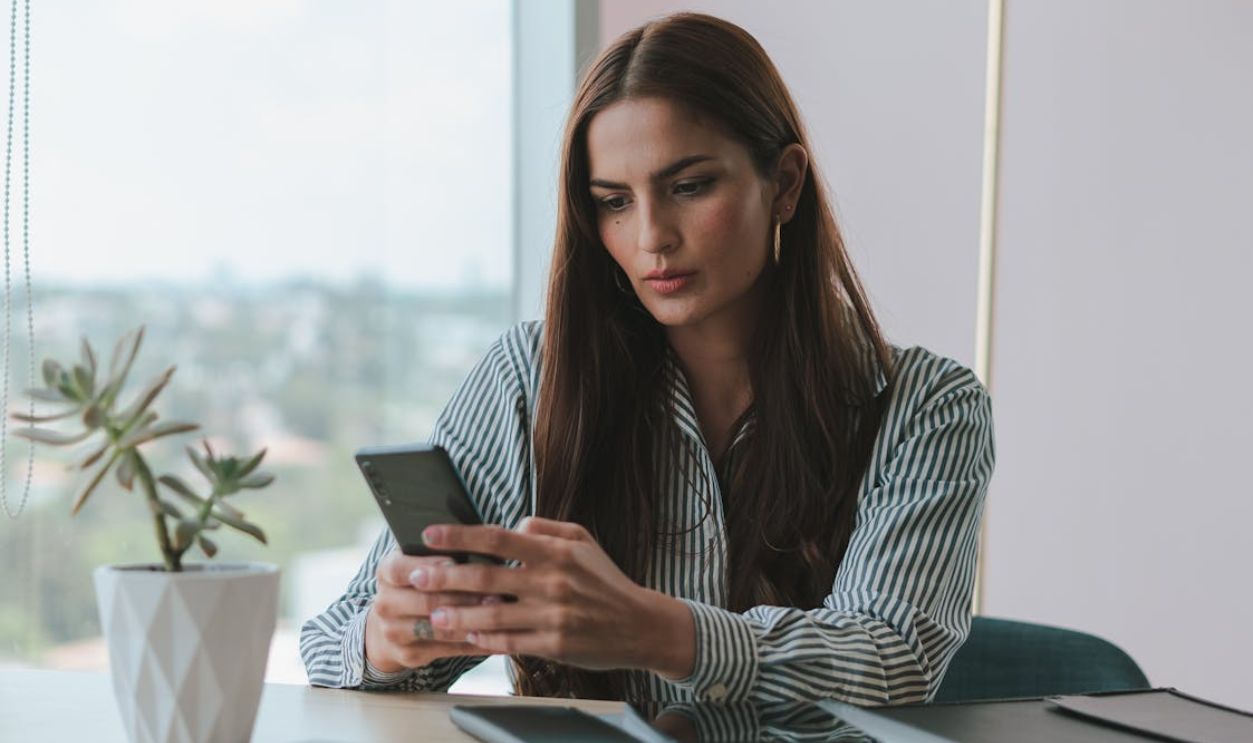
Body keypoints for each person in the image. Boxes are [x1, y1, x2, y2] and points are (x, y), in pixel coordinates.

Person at [300, 12, 994, 706]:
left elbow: (890, 656)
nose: (651, 236)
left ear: (783, 184)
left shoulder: (926, 405)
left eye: (689, 186)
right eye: (613, 203)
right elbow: (330, 644)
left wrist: (651, 630)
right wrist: (391, 639)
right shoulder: (530, 377)